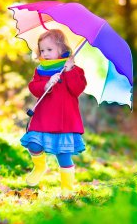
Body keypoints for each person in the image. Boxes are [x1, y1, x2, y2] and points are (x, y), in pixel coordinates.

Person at [20, 29, 87, 196]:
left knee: (63, 155)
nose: (45, 53)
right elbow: (34, 88)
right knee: (33, 144)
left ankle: (67, 189)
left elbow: (77, 89)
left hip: (65, 122)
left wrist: (70, 71)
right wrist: (46, 84)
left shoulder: (74, 69)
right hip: (43, 118)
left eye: (49, 50)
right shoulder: (41, 70)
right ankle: (40, 166)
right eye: (42, 50)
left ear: (62, 49)